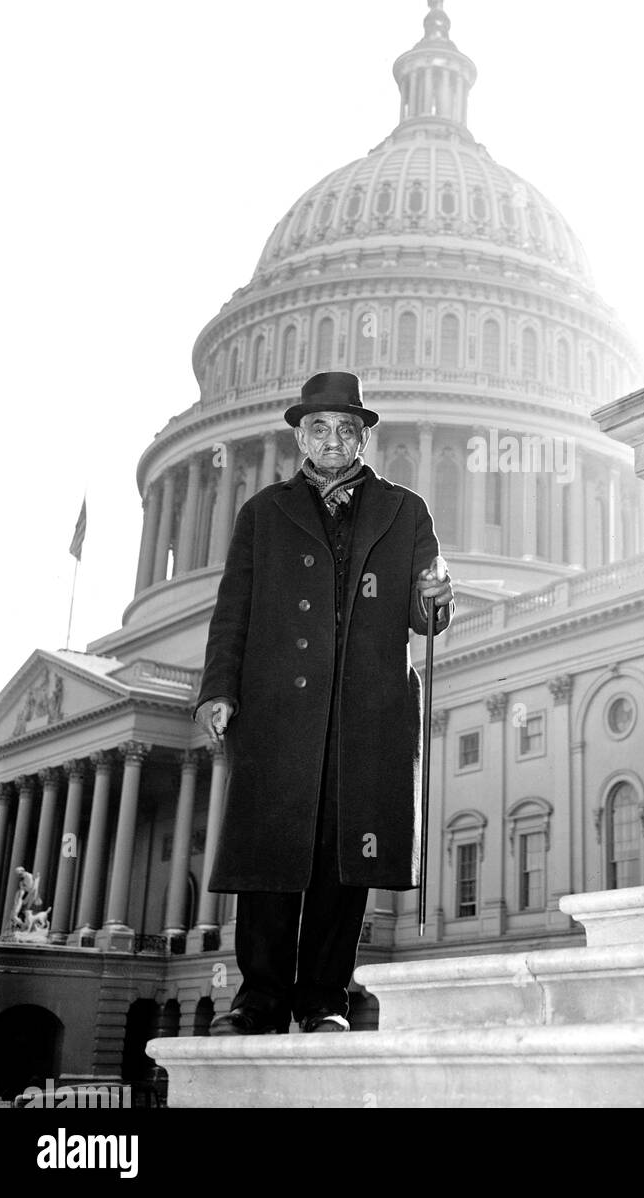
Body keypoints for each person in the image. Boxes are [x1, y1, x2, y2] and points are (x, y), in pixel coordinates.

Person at [194, 371, 454, 1034]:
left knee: (347, 864)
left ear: (363, 435)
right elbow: (233, 612)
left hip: (365, 713)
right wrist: (218, 690)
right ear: (298, 436)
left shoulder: (406, 511)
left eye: (346, 427)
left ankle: (323, 1000)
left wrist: (435, 594)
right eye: (318, 427)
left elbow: (425, 619)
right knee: (270, 859)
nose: (332, 439)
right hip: (279, 710)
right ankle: (258, 999)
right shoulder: (262, 514)